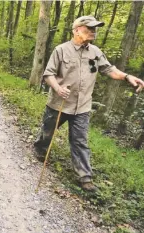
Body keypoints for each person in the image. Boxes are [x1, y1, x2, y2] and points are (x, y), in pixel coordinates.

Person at [34, 16, 144, 192]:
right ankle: (40, 147)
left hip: (82, 106)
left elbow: (108, 69)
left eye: (95, 29)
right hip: (59, 103)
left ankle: (84, 177)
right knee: (48, 131)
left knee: (80, 141)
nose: (93, 32)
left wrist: (126, 76)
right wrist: (58, 88)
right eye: (89, 28)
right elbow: (48, 74)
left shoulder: (95, 52)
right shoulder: (61, 50)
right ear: (76, 30)